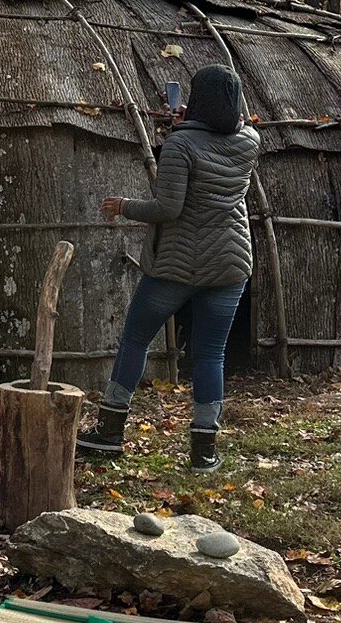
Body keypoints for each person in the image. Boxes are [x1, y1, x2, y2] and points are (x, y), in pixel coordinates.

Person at [76, 64, 260, 470]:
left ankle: (109, 432)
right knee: (211, 354)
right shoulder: (250, 141)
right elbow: (224, 134)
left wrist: (124, 206)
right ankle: (204, 452)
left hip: (176, 265)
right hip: (229, 264)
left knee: (136, 339)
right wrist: (189, 125)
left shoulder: (180, 145)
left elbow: (168, 209)